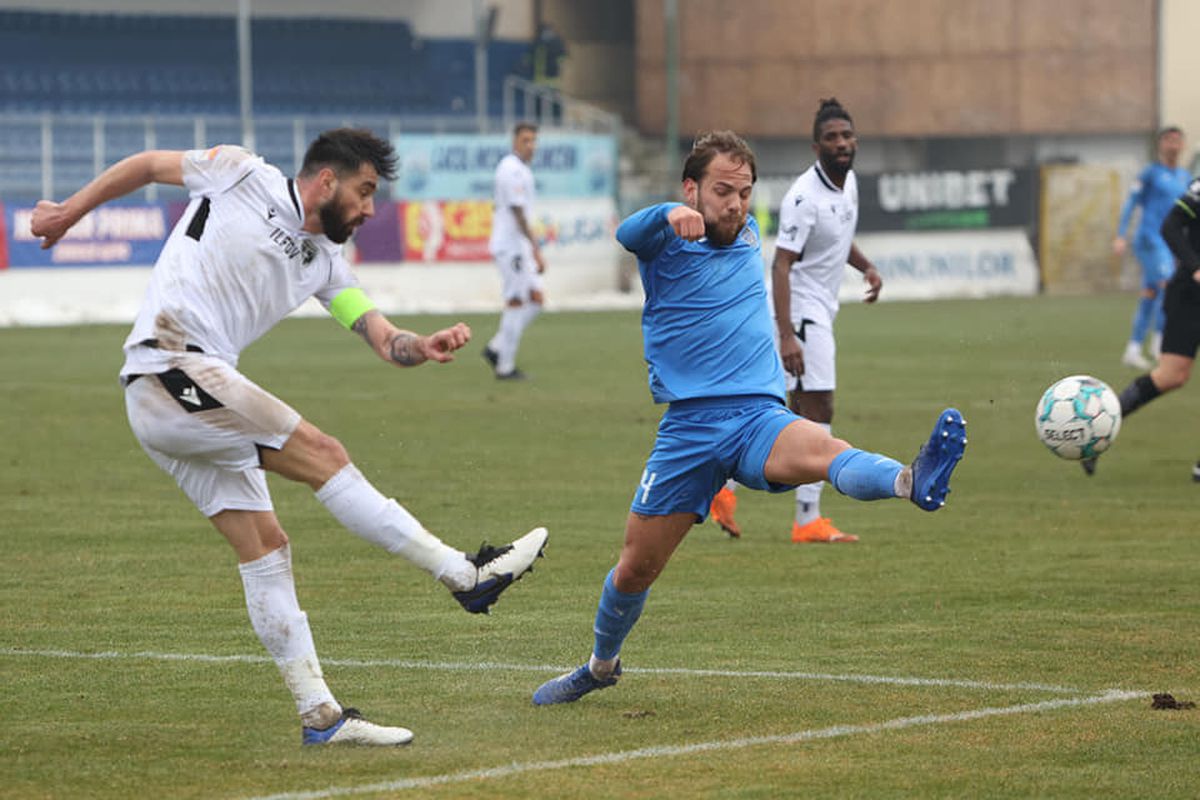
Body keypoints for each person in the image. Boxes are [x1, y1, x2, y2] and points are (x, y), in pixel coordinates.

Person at [30, 129, 548, 745]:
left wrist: (420, 346)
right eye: (363, 192)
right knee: (325, 454)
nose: (369, 209)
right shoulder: (238, 172)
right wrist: (67, 212)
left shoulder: (327, 262)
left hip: (182, 398)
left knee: (267, 547)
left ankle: (321, 717)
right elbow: (145, 164)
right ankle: (464, 576)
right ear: (326, 181)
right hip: (169, 366)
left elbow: (383, 338)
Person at [530, 131, 966, 706]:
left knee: (825, 449)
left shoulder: (747, 232)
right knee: (635, 569)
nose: (734, 204)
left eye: (743, 192)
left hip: (757, 415)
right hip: (687, 430)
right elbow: (626, 233)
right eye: (721, 191)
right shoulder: (664, 242)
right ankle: (600, 667)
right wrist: (668, 214)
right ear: (692, 189)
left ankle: (912, 480)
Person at [709, 98, 881, 544]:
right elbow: (782, 265)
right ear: (815, 145)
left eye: (846, 136)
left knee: (777, 411)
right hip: (799, 312)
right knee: (817, 407)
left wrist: (866, 267)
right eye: (832, 138)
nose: (841, 144)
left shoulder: (848, 184)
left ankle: (719, 490)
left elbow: (840, 238)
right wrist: (787, 335)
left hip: (818, 310)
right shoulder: (804, 197)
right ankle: (807, 519)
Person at [1085, 174, 1200, 480]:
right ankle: (1097, 434)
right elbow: (1170, 226)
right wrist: (1195, 267)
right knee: (1171, 376)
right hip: (1189, 295)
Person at [1113, 126, 1190, 370]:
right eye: (1168, 140)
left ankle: (1133, 349)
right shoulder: (1150, 174)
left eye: (1177, 140)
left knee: (1150, 294)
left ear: (1183, 145)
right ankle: (1159, 345)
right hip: (1150, 239)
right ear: (1160, 145)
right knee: (1167, 286)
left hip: (1170, 244)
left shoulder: (1185, 177)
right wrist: (1121, 234)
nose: (1173, 145)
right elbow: (1131, 203)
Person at [482, 122, 546, 380]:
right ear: (514, 142)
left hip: (519, 247)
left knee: (537, 299)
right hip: (511, 247)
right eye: (525, 140)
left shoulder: (521, 170)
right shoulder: (510, 170)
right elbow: (518, 212)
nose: (530, 146)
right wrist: (535, 248)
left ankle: (497, 347)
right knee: (516, 301)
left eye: (533, 141)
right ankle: (505, 367)